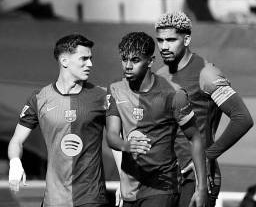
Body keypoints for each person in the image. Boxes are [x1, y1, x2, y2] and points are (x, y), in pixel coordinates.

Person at [154, 11, 254, 207]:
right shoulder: (159, 75)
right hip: (167, 177)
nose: (164, 46)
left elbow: (242, 118)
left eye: (171, 40)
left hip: (197, 178)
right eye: (160, 40)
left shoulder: (206, 73)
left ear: (187, 39)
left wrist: (208, 156)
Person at [106, 32, 207, 207]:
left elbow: (195, 138)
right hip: (130, 188)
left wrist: (202, 188)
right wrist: (126, 146)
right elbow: (112, 136)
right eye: (124, 59)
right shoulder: (115, 89)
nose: (128, 66)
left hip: (163, 186)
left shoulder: (174, 94)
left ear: (150, 61)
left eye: (135, 60)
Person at [8, 34, 110, 207]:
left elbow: (116, 142)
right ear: (64, 61)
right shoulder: (39, 98)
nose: (90, 64)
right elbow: (16, 141)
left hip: (91, 199)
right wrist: (15, 162)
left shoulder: (102, 96)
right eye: (84, 59)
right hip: (53, 201)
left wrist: (125, 181)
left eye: (90, 58)